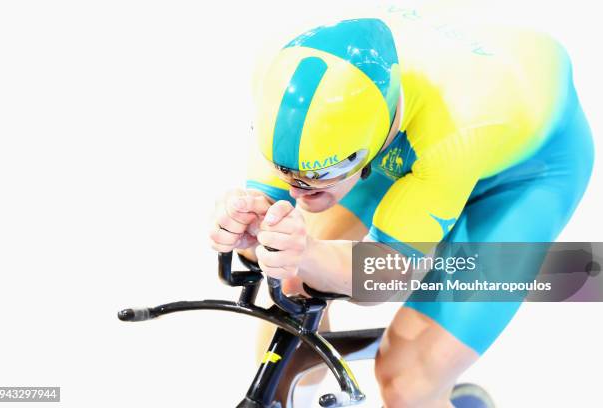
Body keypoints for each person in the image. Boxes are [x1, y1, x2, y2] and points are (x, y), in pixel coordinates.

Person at [209, 7, 593, 408]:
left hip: (524, 174)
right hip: (408, 146)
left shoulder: (459, 127)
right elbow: (270, 221)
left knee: (408, 378)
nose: (300, 188)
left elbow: (384, 277)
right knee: (290, 284)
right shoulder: (284, 72)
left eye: (322, 173)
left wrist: (307, 252)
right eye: (286, 170)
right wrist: (247, 221)